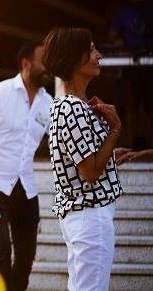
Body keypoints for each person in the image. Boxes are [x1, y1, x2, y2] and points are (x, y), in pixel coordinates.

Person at [41, 28, 124, 291]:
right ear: (73, 58)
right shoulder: (72, 108)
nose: (98, 55)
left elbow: (82, 160)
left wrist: (109, 153)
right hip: (90, 215)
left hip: (83, 216)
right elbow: (89, 172)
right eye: (90, 50)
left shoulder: (67, 105)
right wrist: (115, 130)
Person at [0, 41, 52, 291]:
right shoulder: (0, 93)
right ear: (26, 64)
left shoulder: (49, 103)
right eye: (43, 61)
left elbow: (63, 141)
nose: (49, 68)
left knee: (25, 260)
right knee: (1, 253)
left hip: (27, 188)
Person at [109, 0, 153, 151]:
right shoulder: (123, 13)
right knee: (131, 106)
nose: (137, 0)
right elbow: (112, 34)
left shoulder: (151, 11)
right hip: (130, 65)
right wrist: (120, 41)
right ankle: (132, 144)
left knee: (151, 106)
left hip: (150, 66)